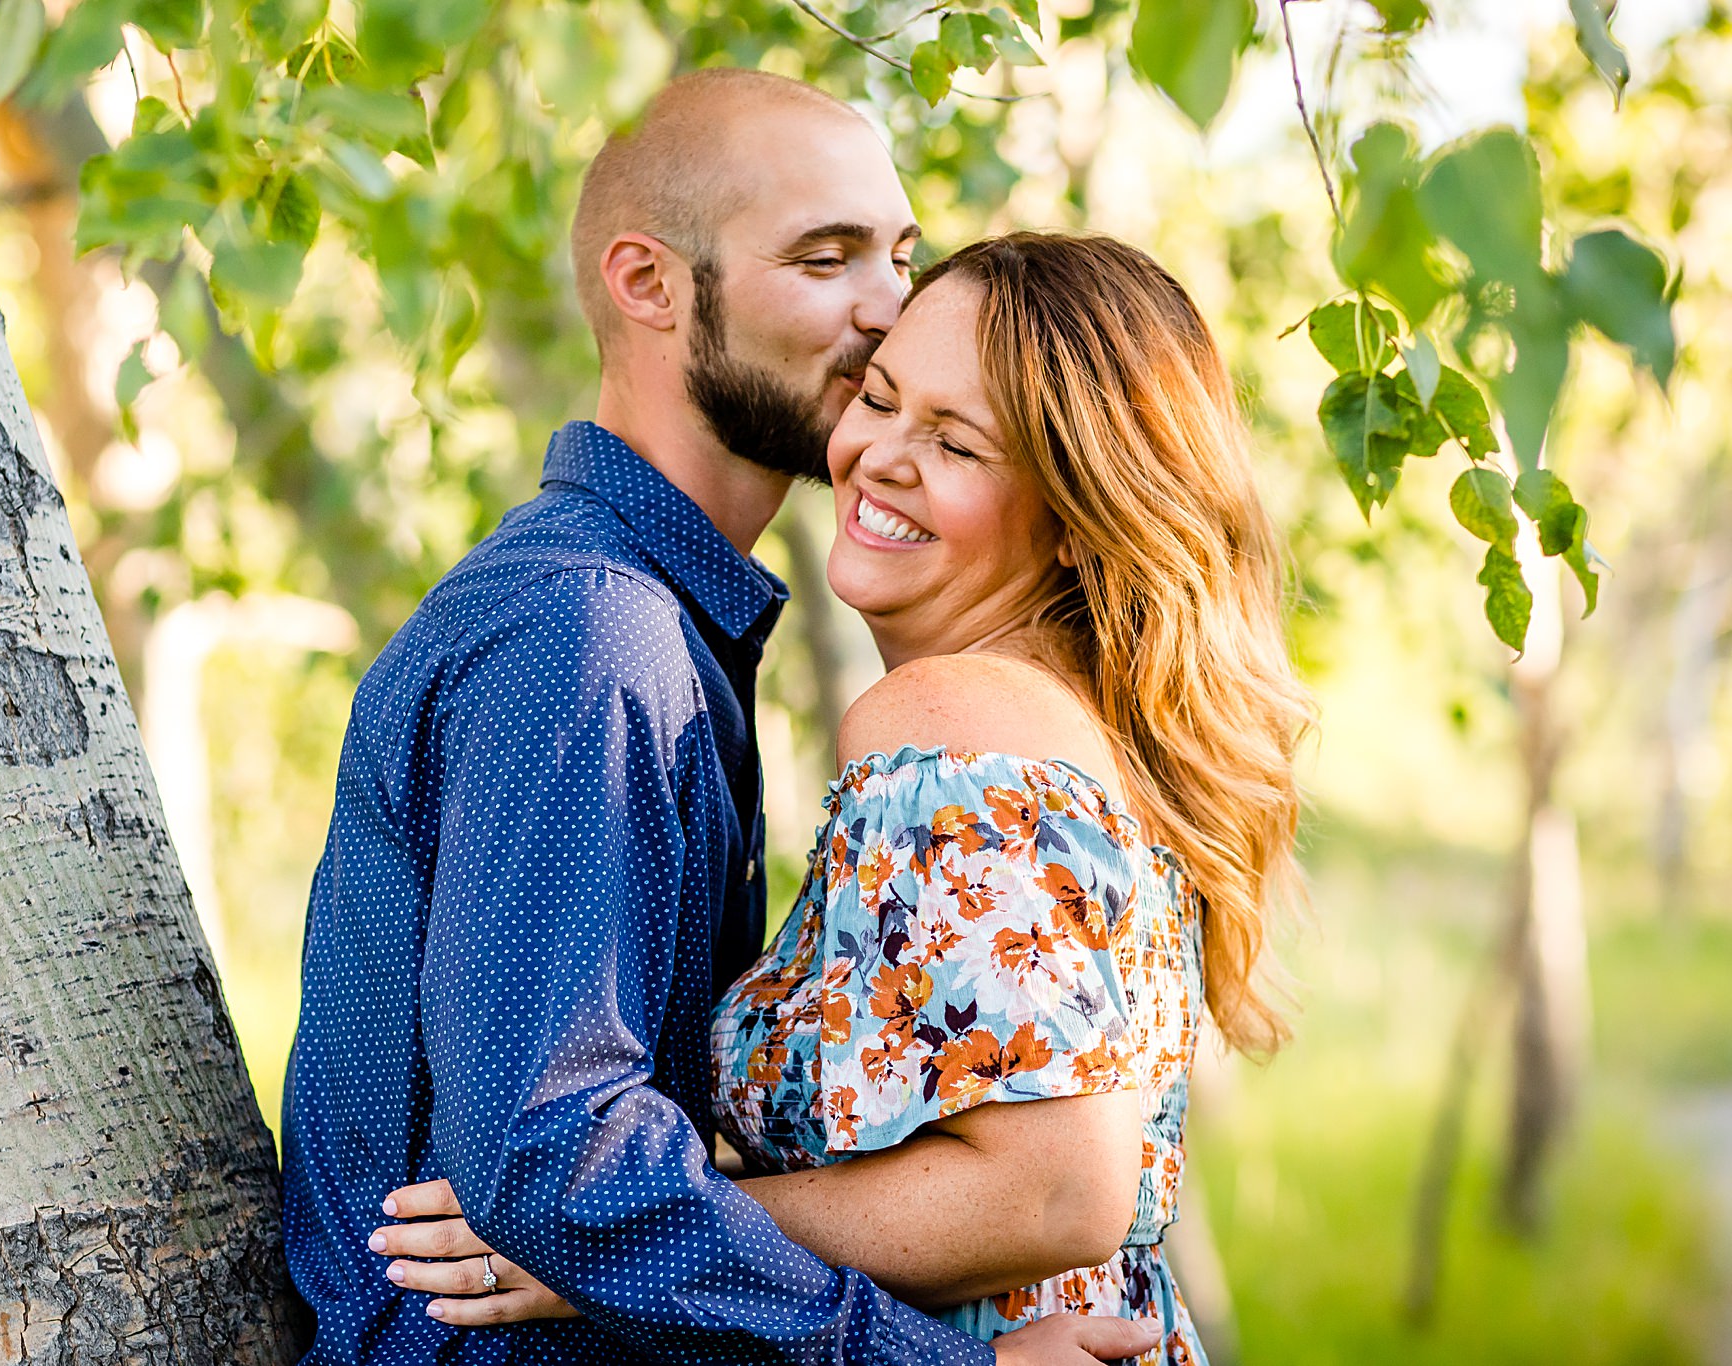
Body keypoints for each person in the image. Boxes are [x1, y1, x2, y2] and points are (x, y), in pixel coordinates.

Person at [283, 66, 1167, 1366]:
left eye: (900, 256)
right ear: (649, 284)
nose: (889, 311)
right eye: (826, 259)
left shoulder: (666, 631)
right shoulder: (589, 635)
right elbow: (554, 1157)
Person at [371, 232, 1313, 1365]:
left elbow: (1056, 1189)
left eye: (957, 442)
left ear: (1071, 520)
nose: (879, 456)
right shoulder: (1074, 724)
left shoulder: (950, 723)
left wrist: (600, 1249)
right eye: (878, 397)